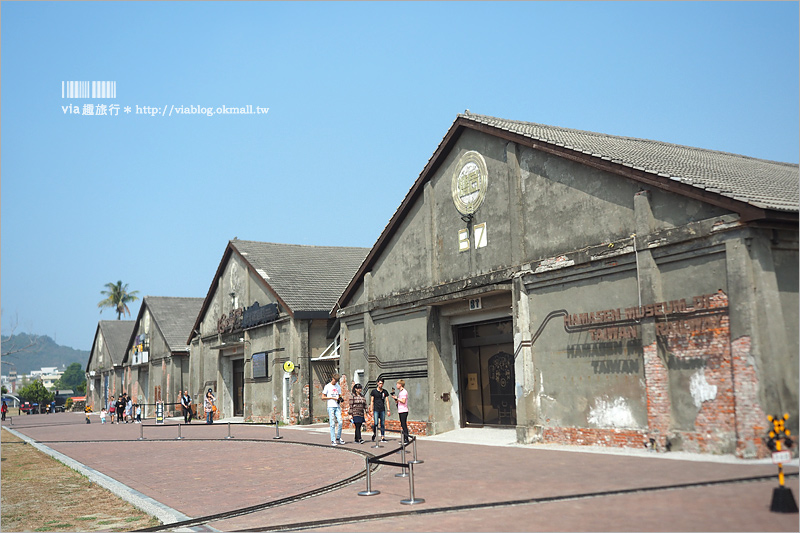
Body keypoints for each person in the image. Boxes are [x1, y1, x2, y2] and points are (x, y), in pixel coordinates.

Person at [321, 373, 345, 446]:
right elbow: (323, 397)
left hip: (337, 406)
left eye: (337, 381)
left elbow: (339, 394)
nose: (335, 382)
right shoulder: (327, 386)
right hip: (331, 406)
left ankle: (338, 437)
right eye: (335, 380)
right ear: (332, 379)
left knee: (340, 422)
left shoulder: (338, 386)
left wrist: (340, 398)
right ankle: (333, 439)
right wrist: (332, 398)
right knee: (332, 423)